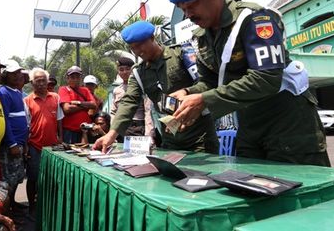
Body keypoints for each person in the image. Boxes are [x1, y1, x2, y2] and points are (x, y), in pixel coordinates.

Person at [167, 0, 330, 166]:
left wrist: (203, 100)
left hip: (287, 123)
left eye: (191, 6)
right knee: (251, 188)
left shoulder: (255, 19)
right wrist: (187, 92)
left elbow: (266, 79)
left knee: (304, 192)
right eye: (183, 10)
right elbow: (210, 83)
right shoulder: (202, 37)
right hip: (249, 125)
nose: (188, 15)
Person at [93, 21, 219, 154]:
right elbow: (129, 102)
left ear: (152, 38)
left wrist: (187, 91)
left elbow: (207, 83)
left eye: (140, 45)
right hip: (169, 140)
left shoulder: (182, 54)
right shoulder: (139, 72)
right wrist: (112, 134)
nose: (137, 51)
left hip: (199, 139)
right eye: (133, 48)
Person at [24, 68, 64, 217]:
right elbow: (26, 125)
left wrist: (60, 137)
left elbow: (59, 119)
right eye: (37, 80)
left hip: (53, 146)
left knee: (51, 178)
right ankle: (32, 207)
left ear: (47, 82)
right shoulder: (27, 100)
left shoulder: (55, 97)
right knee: (33, 178)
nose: (41, 83)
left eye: (43, 80)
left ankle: (47, 205)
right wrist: (26, 146)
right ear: (32, 83)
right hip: (35, 146)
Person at [0, 59, 30, 212]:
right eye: (13, 73)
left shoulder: (17, 92)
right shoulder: (3, 92)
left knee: (17, 177)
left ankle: (13, 204)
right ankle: (6, 212)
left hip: (20, 143)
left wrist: (24, 143)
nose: (17, 76)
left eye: (18, 73)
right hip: (11, 145)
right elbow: (5, 120)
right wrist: (12, 143)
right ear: (6, 75)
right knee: (8, 179)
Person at [110, 56, 155, 140]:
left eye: (127, 69)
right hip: (120, 129)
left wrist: (149, 136)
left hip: (138, 128)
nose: (124, 72)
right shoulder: (116, 90)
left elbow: (148, 111)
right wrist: (112, 132)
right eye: (121, 69)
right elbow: (113, 112)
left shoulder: (142, 87)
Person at [58, 66, 97, 143]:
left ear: (80, 79)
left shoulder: (85, 90)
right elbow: (67, 109)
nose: (75, 80)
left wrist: (78, 103)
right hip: (70, 132)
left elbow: (93, 104)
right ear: (67, 78)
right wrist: (85, 106)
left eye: (77, 77)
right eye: (72, 77)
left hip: (85, 130)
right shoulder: (63, 89)